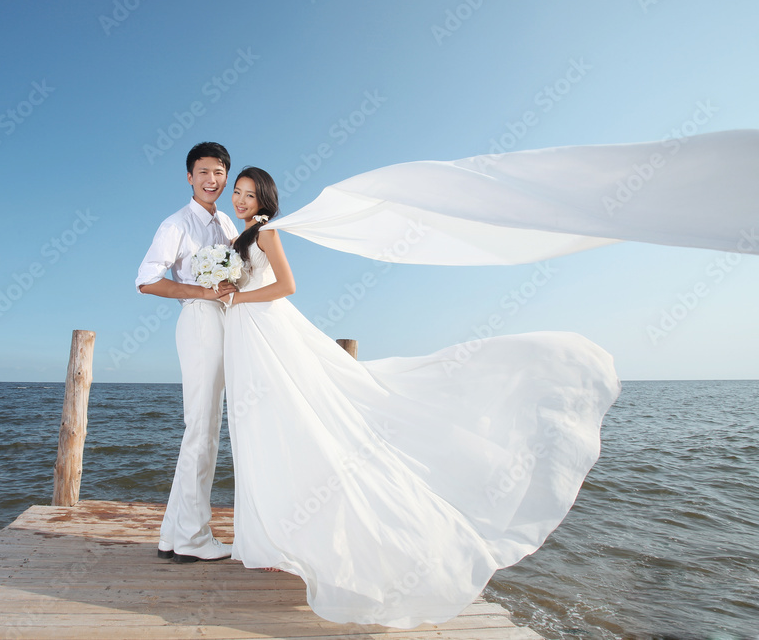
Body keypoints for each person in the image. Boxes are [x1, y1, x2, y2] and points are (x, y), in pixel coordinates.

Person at [218, 166, 621, 628]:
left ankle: (306, 543)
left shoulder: (266, 233)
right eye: (238, 193)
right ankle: (268, 541)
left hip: (266, 333)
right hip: (247, 338)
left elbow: (286, 286)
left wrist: (236, 299)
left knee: (291, 421)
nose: (241, 199)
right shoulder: (239, 239)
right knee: (259, 430)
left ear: (264, 198)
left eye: (249, 193)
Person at [135, 142, 240, 563]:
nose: (211, 179)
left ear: (225, 176)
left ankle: (172, 537)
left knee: (202, 430)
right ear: (189, 177)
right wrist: (200, 291)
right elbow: (145, 279)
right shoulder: (176, 223)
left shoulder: (227, 222)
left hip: (224, 321)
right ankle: (194, 539)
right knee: (203, 429)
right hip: (198, 319)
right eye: (203, 172)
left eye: (218, 172)